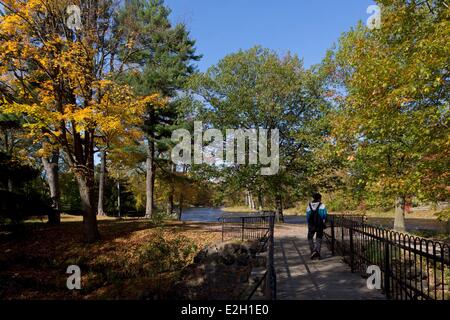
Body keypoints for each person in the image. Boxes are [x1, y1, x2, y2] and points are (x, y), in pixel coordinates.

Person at [306, 192, 328, 260]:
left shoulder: (309, 206)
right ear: (319, 198)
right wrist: (324, 222)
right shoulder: (322, 206)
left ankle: (313, 251)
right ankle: (317, 252)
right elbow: (324, 215)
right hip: (319, 224)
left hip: (311, 224)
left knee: (310, 237)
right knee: (319, 238)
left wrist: (309, 224)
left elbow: (307, 216)